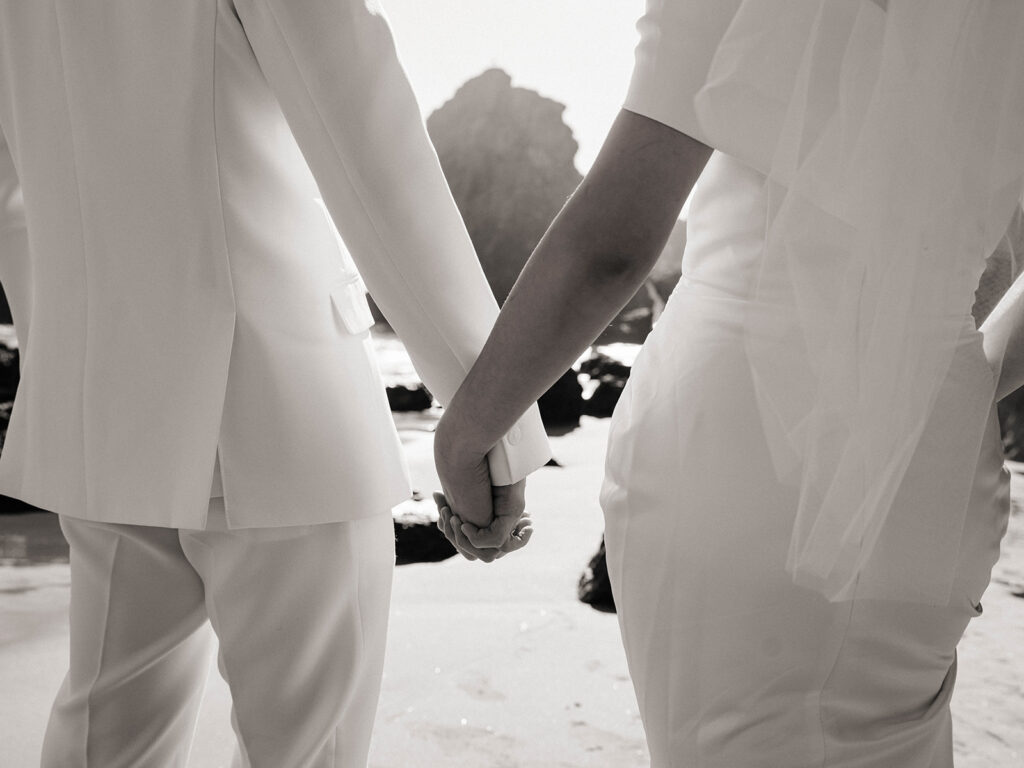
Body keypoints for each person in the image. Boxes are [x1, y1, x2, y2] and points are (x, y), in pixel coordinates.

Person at [434, 2, 1024, 765]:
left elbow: (610, 250)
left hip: (735, 440)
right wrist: (955, 379)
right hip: (935, 457)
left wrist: (464, 439)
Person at [0, 1, 550, 765]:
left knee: (103, 740)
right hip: (281, 416)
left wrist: (66, 373)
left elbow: (12, 203)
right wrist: (492, 424)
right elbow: (367, 146)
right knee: (304, 752)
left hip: (106, 422)